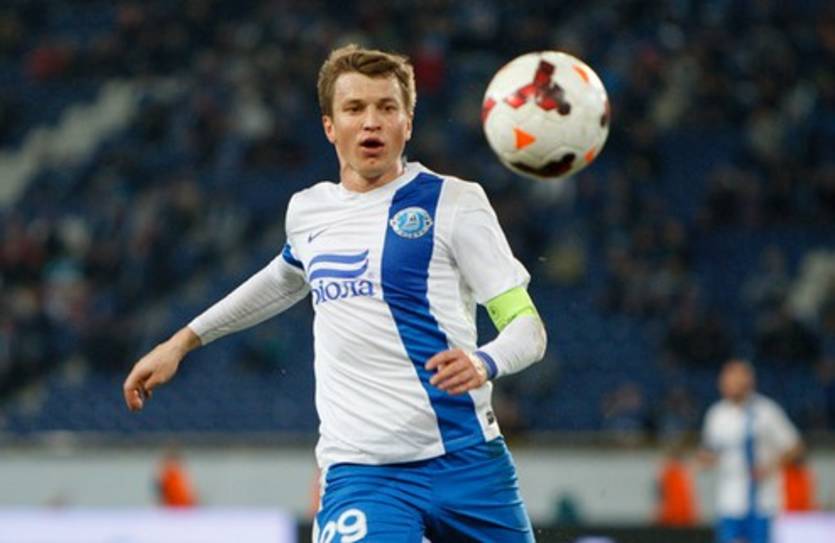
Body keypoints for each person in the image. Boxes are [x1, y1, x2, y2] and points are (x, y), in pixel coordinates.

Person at [123, 44, 547, 542]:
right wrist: (182, 342)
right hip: (362, 474)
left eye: (386, 108)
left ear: (408, 123)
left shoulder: (456, 203)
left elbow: (528, 330)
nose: (371, 122)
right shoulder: (309, 212)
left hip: (469, 463)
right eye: (354, 108)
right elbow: (282, 279)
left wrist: (484, 361)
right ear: (330, 126)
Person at [697, 359, 804, 543]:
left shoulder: (767, 411)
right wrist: (704, 460)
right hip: (730, 501)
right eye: (725, 380)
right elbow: (709, 451)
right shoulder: (716, 415)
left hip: (763, 501)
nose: (727, 384)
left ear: (748, 381)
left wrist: (771, 467)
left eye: (734, 379)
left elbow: (795, 446)